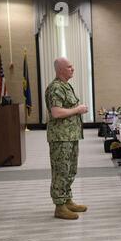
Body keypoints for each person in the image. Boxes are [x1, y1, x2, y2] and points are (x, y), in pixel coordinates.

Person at [46, 57, 88, 220]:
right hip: (60, 138)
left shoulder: (66, 86)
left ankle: (67, 200)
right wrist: (77, 109)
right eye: (69, 67)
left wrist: (76, 110)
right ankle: (59, 206)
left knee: (70, 170)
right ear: (60, 69)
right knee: (61, 171)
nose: (73, 69)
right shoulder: (55, 87)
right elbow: (56, 112)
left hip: (70, 135)